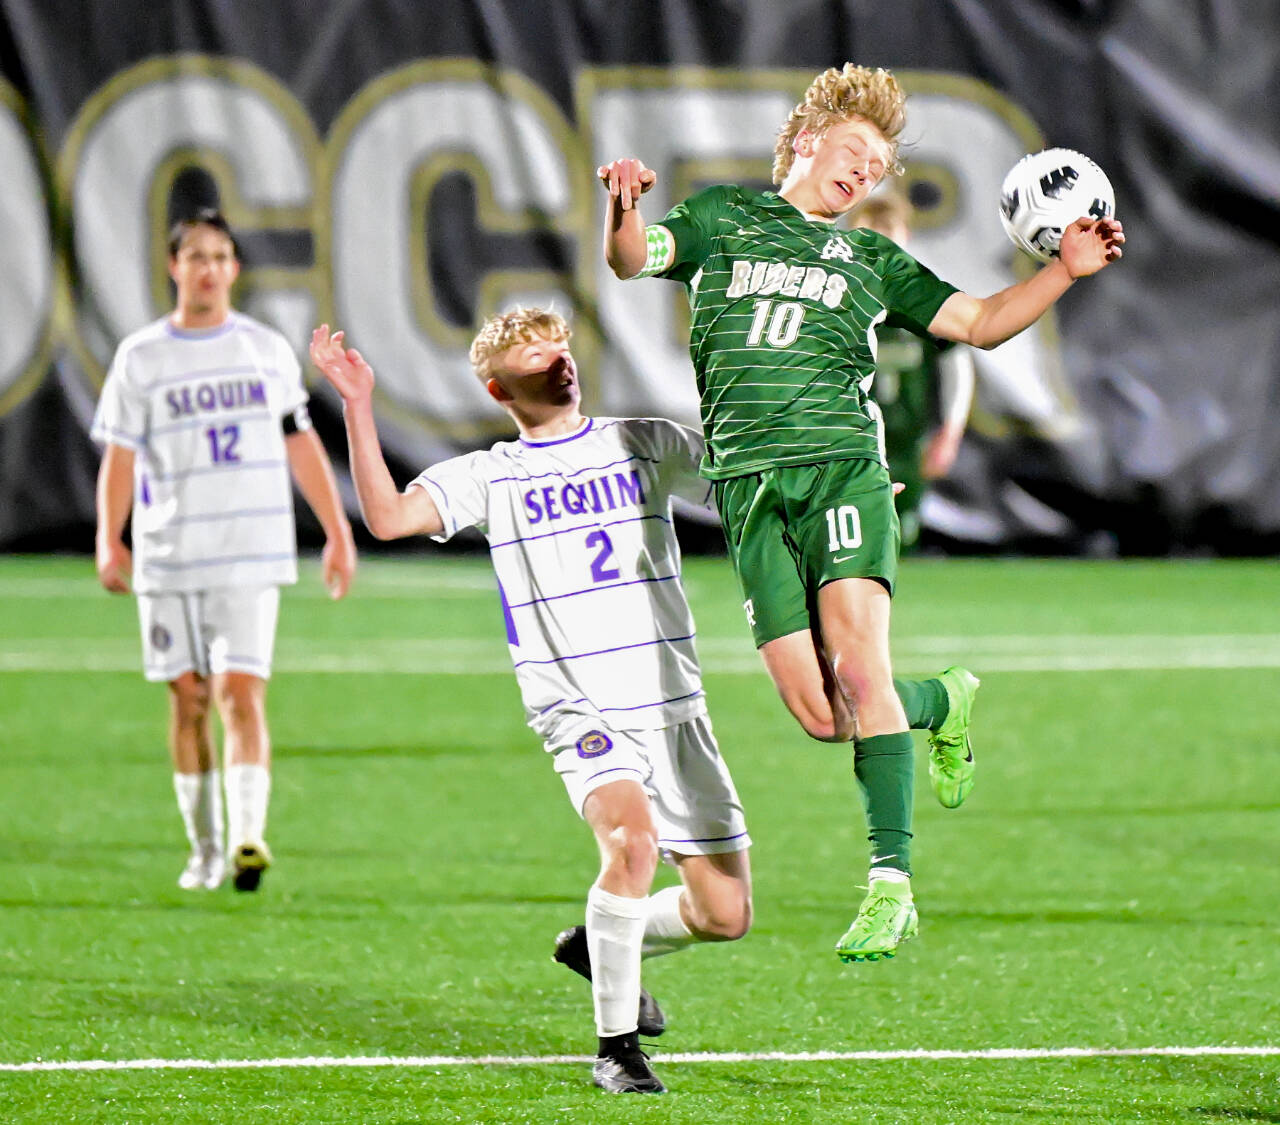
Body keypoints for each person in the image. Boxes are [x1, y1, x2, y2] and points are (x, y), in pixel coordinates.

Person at [597, 63, 1123, 963]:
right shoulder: (722, 217)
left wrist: (1065, 274)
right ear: (808, 140)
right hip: (750, 488)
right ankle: (943, 698)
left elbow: (981, 322)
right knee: (820, 709)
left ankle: (891, 883)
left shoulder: (868, 258)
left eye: (877, 166)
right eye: (854, 152)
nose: (862, 174)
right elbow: (630, 259)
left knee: (857, 667)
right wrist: (622, 204)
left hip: (843, 471)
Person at [310, 307, 752, 1096]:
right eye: (533, 354)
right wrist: (357, 402)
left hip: (672, 700)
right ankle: (616, 1047)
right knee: (631, 847)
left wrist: (831, 488)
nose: (557, 361)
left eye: (559, 346)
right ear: (497, 386)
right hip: (578, 704)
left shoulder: (643, 440)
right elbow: (386, 516)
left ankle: (599, 945)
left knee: (724, 912)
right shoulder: (493, 474)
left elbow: (746, 487)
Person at [92, 209, 357, 894]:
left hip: (250, 548)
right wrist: (108, 535)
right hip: (169, 552)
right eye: (195, 256)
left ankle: (247, 836)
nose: (208, 267)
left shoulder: (264, 350)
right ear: (174, 266)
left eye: (220, 256)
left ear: (234, 269)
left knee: (241, 695)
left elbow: (301, 441)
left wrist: (336, 529)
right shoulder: (142, 356)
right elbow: (120, 456)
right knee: (188, 699)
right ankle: (205, 847)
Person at [850, 192, 976, 549]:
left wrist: (951, 431)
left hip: (906, 441)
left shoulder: (921, 297)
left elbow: (957, 363)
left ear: (904, 236)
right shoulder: (838, 295)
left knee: (901, 538)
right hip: (850, 440)